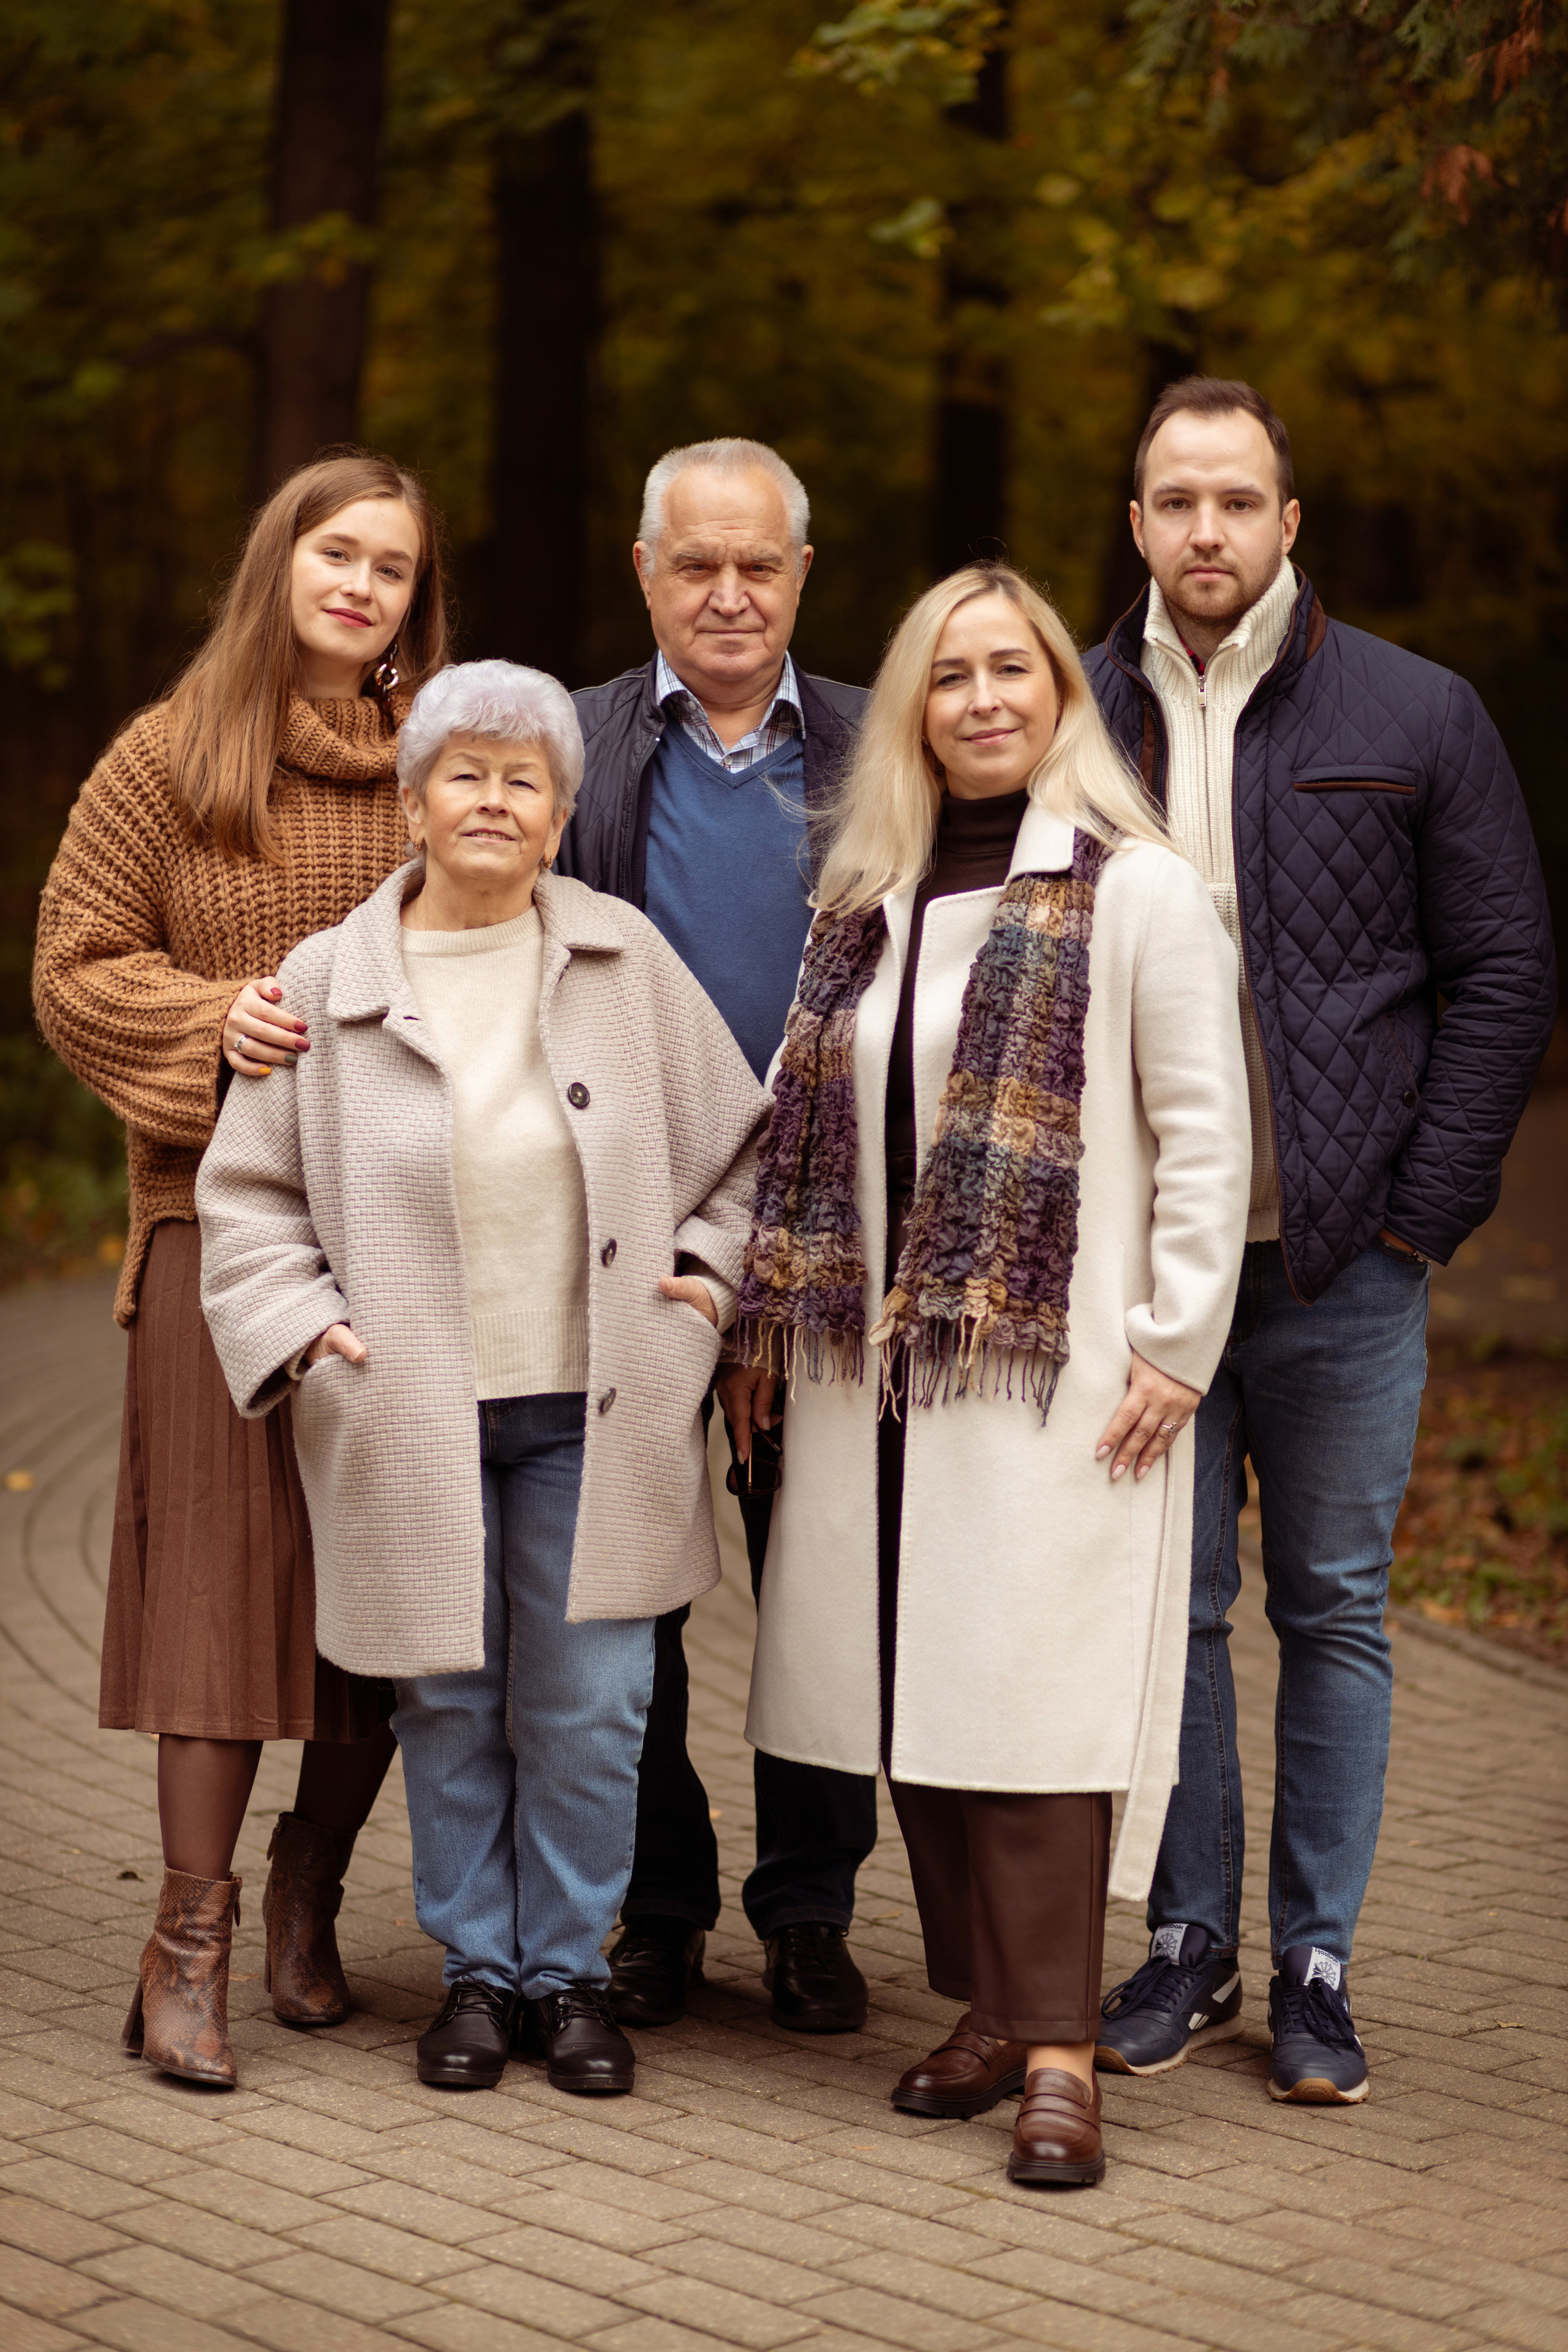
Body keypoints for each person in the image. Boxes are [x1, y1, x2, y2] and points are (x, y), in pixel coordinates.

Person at [724, 562, 1251, 2189]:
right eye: (948, 675)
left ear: (1061, 695)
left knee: (1029, 1705)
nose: (981, 699)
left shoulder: (1135, 890)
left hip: (1049, 1373)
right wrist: (750, 1307)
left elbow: (1204, 1135)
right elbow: (790, 1122)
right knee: (910, 1698)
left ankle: (1062, 2051)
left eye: (1011, 669)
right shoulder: (862, 904)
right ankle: (983, 2012)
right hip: (866, 1385)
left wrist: (1175, 1341)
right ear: (912, 708)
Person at [197, 661, 768, 2098]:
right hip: (408, 1403)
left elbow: (742, 1157)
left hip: (594, 1402)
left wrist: (705, 1288)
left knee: (589, 1703)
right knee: (446, 1704)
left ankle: (569, 1975)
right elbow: (246, 1195)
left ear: (564, 809)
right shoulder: (331, 982)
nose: (495, 801)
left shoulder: (625, 958)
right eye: (466, 773)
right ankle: (475, 1975)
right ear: (413, 798)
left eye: (526, 780)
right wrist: (303, 1327)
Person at [1085, 377, 1558, 2105]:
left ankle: (1318, 1966)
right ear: (1136, 522)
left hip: (1343, 1268)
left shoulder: (1417, 712)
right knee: (1174, 1611)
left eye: (1238, 500)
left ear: (1292, 524)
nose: (1207, 530)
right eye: (1175, 500)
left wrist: (1420, 1216)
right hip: (1146, 1279)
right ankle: (1190, 1943)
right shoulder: (1067, 711)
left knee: (1338, 1607)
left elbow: (1503, 975)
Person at [32, 451, 448, 2088]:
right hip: (214, 1234)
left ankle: (305, 1892)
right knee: (221, 1593)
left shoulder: (439, 761)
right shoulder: (171, 754)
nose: (361, 587)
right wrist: (221, 1018)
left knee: (374, 1603)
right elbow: (71, 970)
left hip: (406, 1244)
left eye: (394, 569)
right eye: (336, 554)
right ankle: (184, 1942)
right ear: (278, 564)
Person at [557, 438, 878, 2035]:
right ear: (647, 572)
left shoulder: (891, 744)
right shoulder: (576, 743)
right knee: (637, 1586)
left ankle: (811, 1909)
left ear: (802, 575)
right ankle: (658, 1907)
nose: (732, 593)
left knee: (823, 1582)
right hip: (624, 1237)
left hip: (840, 1241)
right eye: (699, 565)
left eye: (760, 565)